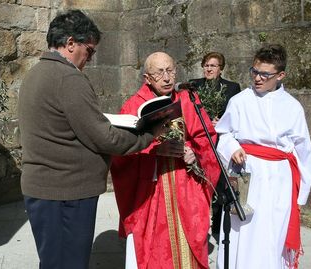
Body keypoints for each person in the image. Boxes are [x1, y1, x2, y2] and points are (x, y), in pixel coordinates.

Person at [17, 10, 160, 269]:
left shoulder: (36, 73)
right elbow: (102, 137)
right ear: (71, 43)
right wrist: (147, 136)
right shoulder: (68, 77)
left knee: (53, 260)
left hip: (47, 189)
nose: (90, 59)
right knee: (68, 263)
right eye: (90, 51)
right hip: (66, 193)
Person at [110, 52, 221, 269]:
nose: (167, 78)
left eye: (170, 71)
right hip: (149, 188)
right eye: (159, 73)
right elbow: (121, 150)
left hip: (185, 184)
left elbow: (206, 136)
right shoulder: (133, 105)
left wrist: (194, 154)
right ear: (147, 78)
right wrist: (152, 148)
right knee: (151, 246)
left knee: (189, 238)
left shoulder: (188, 100)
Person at [215, 44, 311, 269]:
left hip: (279, 180)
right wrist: (232, 149)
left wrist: (301, 196)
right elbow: (224, 133)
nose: (258, 78)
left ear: (280, 75)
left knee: (272, 234)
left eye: (265, 74)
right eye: (255, 71)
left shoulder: (292, 107)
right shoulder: (240, 100)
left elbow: (303, 150)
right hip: (248, 174)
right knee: (244, 232)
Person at [190, 52, 241, 239]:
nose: (209, 69)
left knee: (221, 185)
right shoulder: (194, 85)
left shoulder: (232, 88)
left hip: (220, 142)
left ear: (221, 69)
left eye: (213, 66)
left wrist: (221, 122)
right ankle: (197, 225)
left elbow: (236, 115)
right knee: (199, 184)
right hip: (200, 141)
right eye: (206, 65)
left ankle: (218, 227)